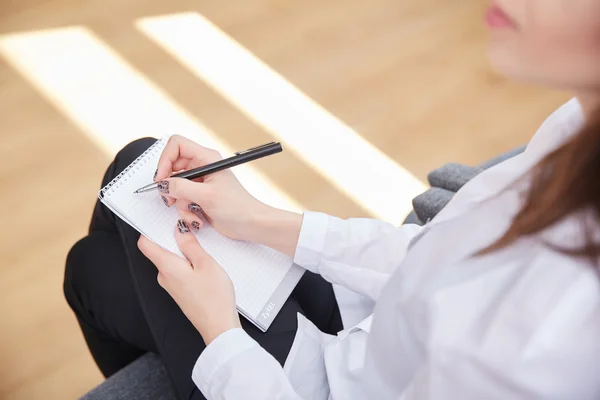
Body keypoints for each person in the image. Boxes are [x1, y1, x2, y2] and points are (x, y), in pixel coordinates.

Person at [64, 0, 600, 398]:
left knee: (91, 269)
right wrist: (261, 219)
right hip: (365, 318)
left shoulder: (557, 341)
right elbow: (429, 251)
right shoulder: (581, 124)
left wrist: (220, 333)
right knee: (140, 171)